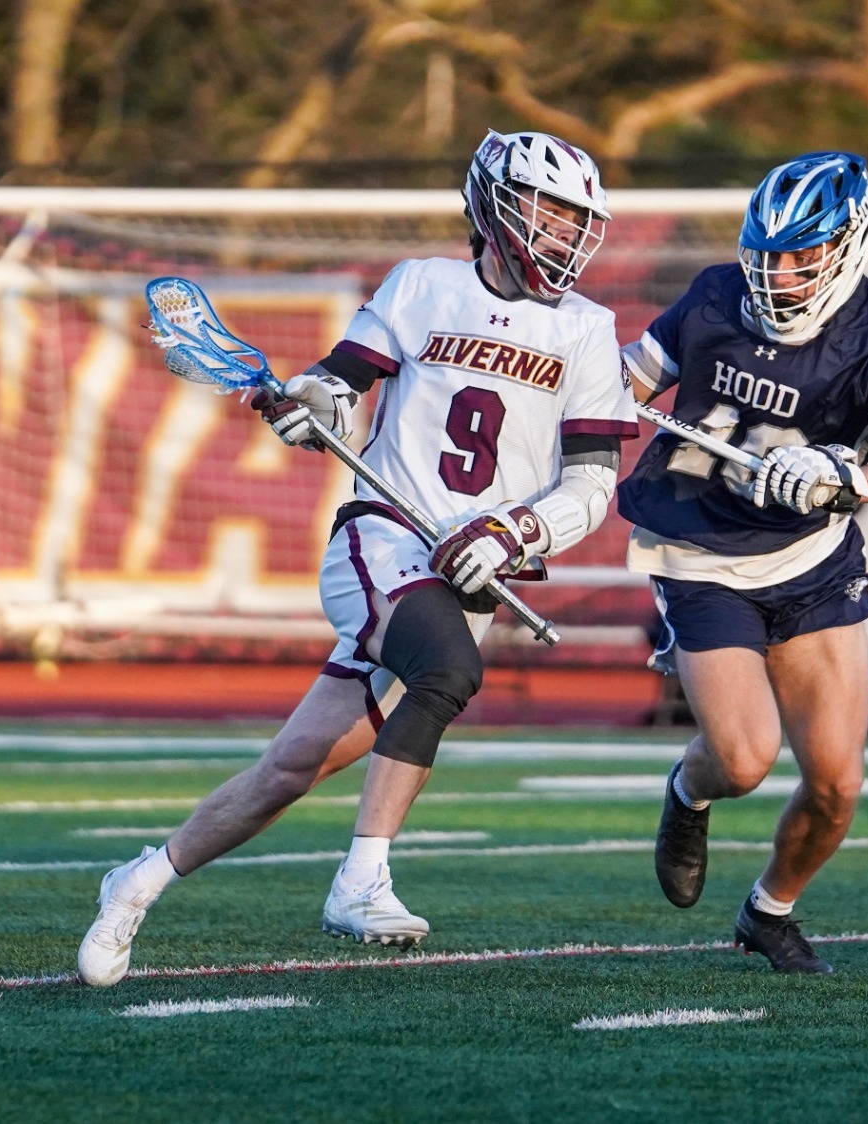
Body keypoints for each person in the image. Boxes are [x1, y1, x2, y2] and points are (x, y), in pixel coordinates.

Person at [77, 130, 638, 986]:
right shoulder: (425, 284)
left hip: (473, 570)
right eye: (549, 211)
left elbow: (594, 484)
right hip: (383, 539)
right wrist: (310, 404)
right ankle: (360, 879)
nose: (565, 234)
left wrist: (513, 534)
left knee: (293, 767)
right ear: (493, 206)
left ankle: (137, 882)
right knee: (448, 671)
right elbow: (340, 382)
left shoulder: (590, 332)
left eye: (576, 218)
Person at [617, 152, 868, 974]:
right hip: (700, 549)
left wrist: (849, 477)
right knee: (741, 758)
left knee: (836, 786)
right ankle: (687, 792)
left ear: (848, 246)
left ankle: (769, 911)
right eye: (769, 252)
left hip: (809, 560)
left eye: (803, 254)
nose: (780, 272)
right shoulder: (713, 295)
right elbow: (623, 380)